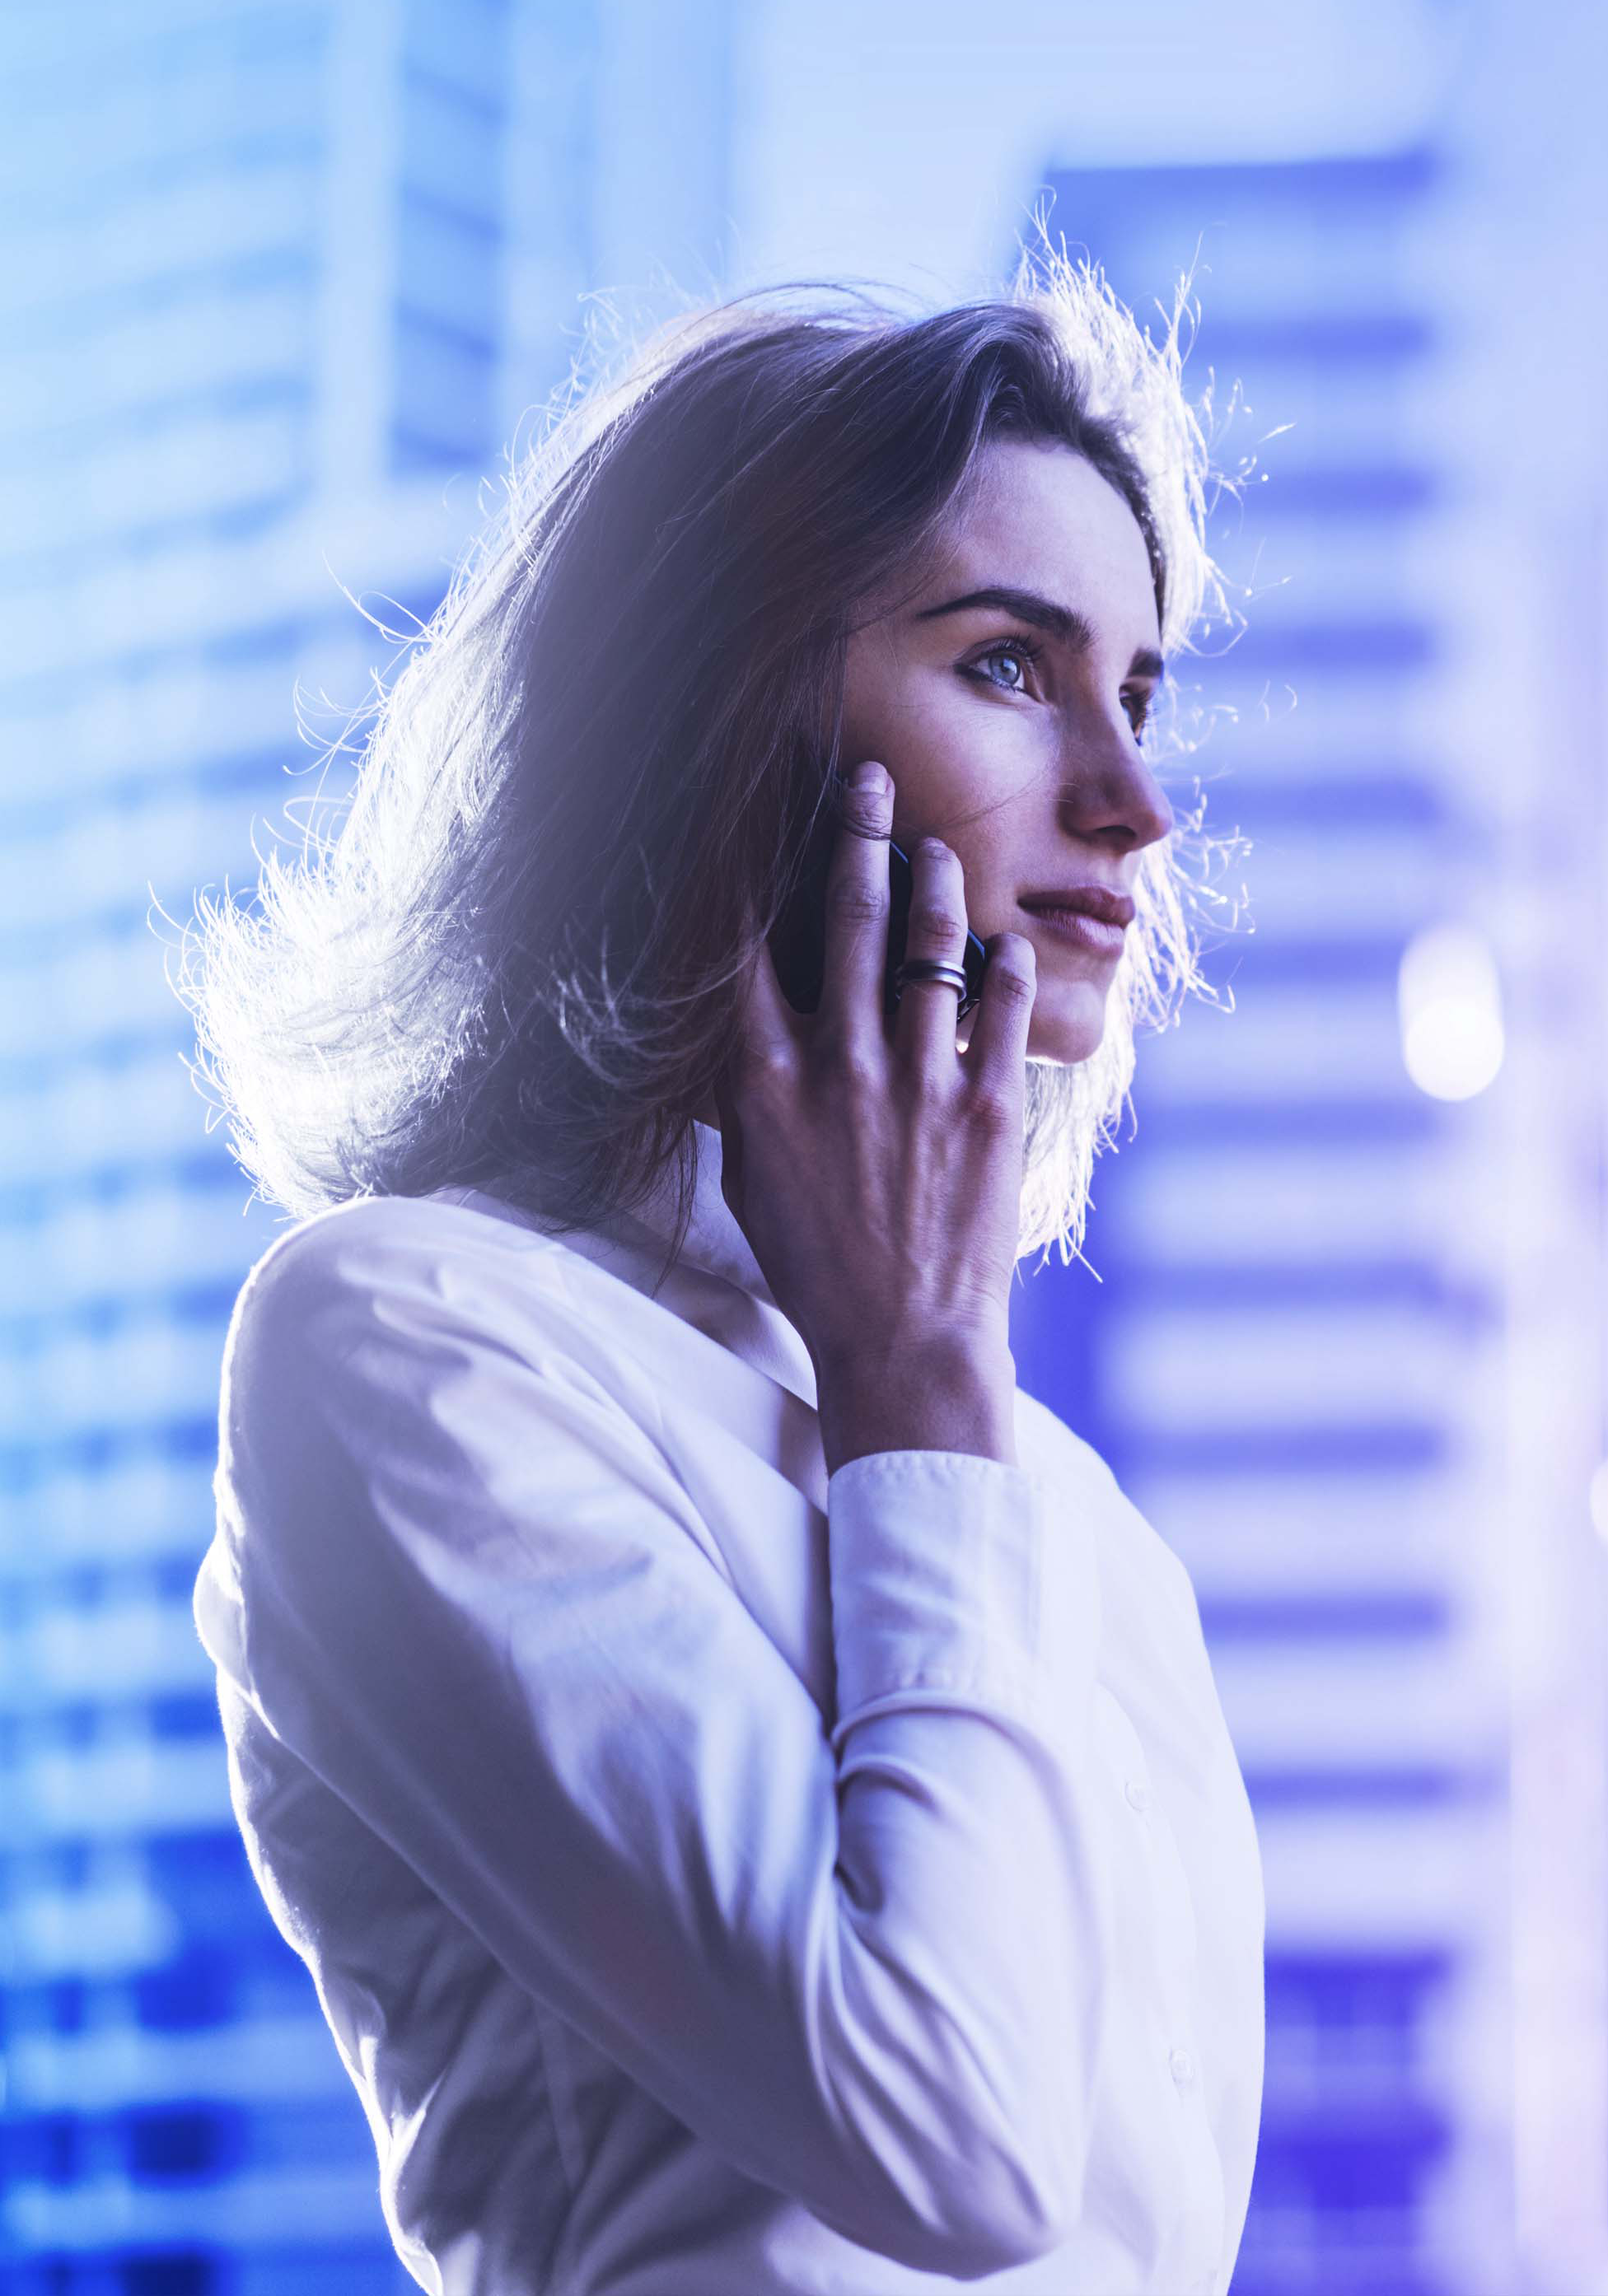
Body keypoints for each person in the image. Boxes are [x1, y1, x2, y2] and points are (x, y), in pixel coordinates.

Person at [183, 242, 1265, 2294]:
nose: (1133, 804)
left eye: (1139, 693)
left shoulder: (1090, 1542)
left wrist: (926, 1383)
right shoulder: (405, 1341)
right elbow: (949, 2139)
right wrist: (915, 1368)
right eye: (1009, 667)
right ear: (717, 718)